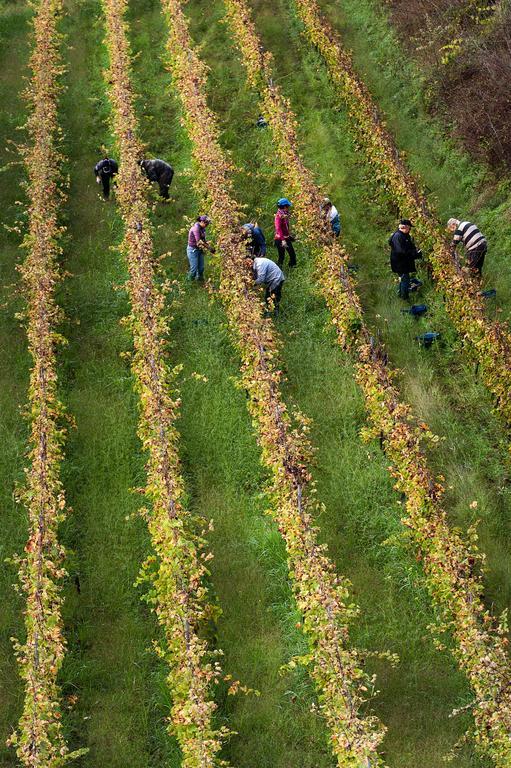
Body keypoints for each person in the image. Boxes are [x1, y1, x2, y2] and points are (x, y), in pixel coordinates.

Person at [389, 219, 423, 299]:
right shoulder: (398, 236)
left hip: (403, 263)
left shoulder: (404, 235)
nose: (410, 230)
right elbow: (401, 251)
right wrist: (414, 254)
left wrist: (415, 252)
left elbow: (409, 247)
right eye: (409, 228)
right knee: (405, 280)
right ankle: (404, 298)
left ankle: (401, 295)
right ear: (405, 227)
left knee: (404, 279)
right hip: (400, 263)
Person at [187, 215, 215, 281]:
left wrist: (208, 245)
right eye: (206, 223)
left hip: (199, 249)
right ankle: (189, 282)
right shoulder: (196, 228)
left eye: (208, 223)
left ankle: (200, 281)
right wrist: (209, 248)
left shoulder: (202, 228)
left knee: (201, 268)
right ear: (202, 222)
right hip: (192, 250)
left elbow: (203, 240)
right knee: (194, 269)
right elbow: (199, 241)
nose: (207, 225)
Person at [274, 198, 297, 268]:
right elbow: (278, 228)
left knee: (292, 254)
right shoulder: (278, 216)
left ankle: (292, 267)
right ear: (284, 207)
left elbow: (286, 227)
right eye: (288, 206)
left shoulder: (284, 214)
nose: (289, 208)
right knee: (282, 256)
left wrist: (290, 236)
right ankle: (278, 270)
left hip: (286, 237)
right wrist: (283, 240)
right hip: (280, 239)